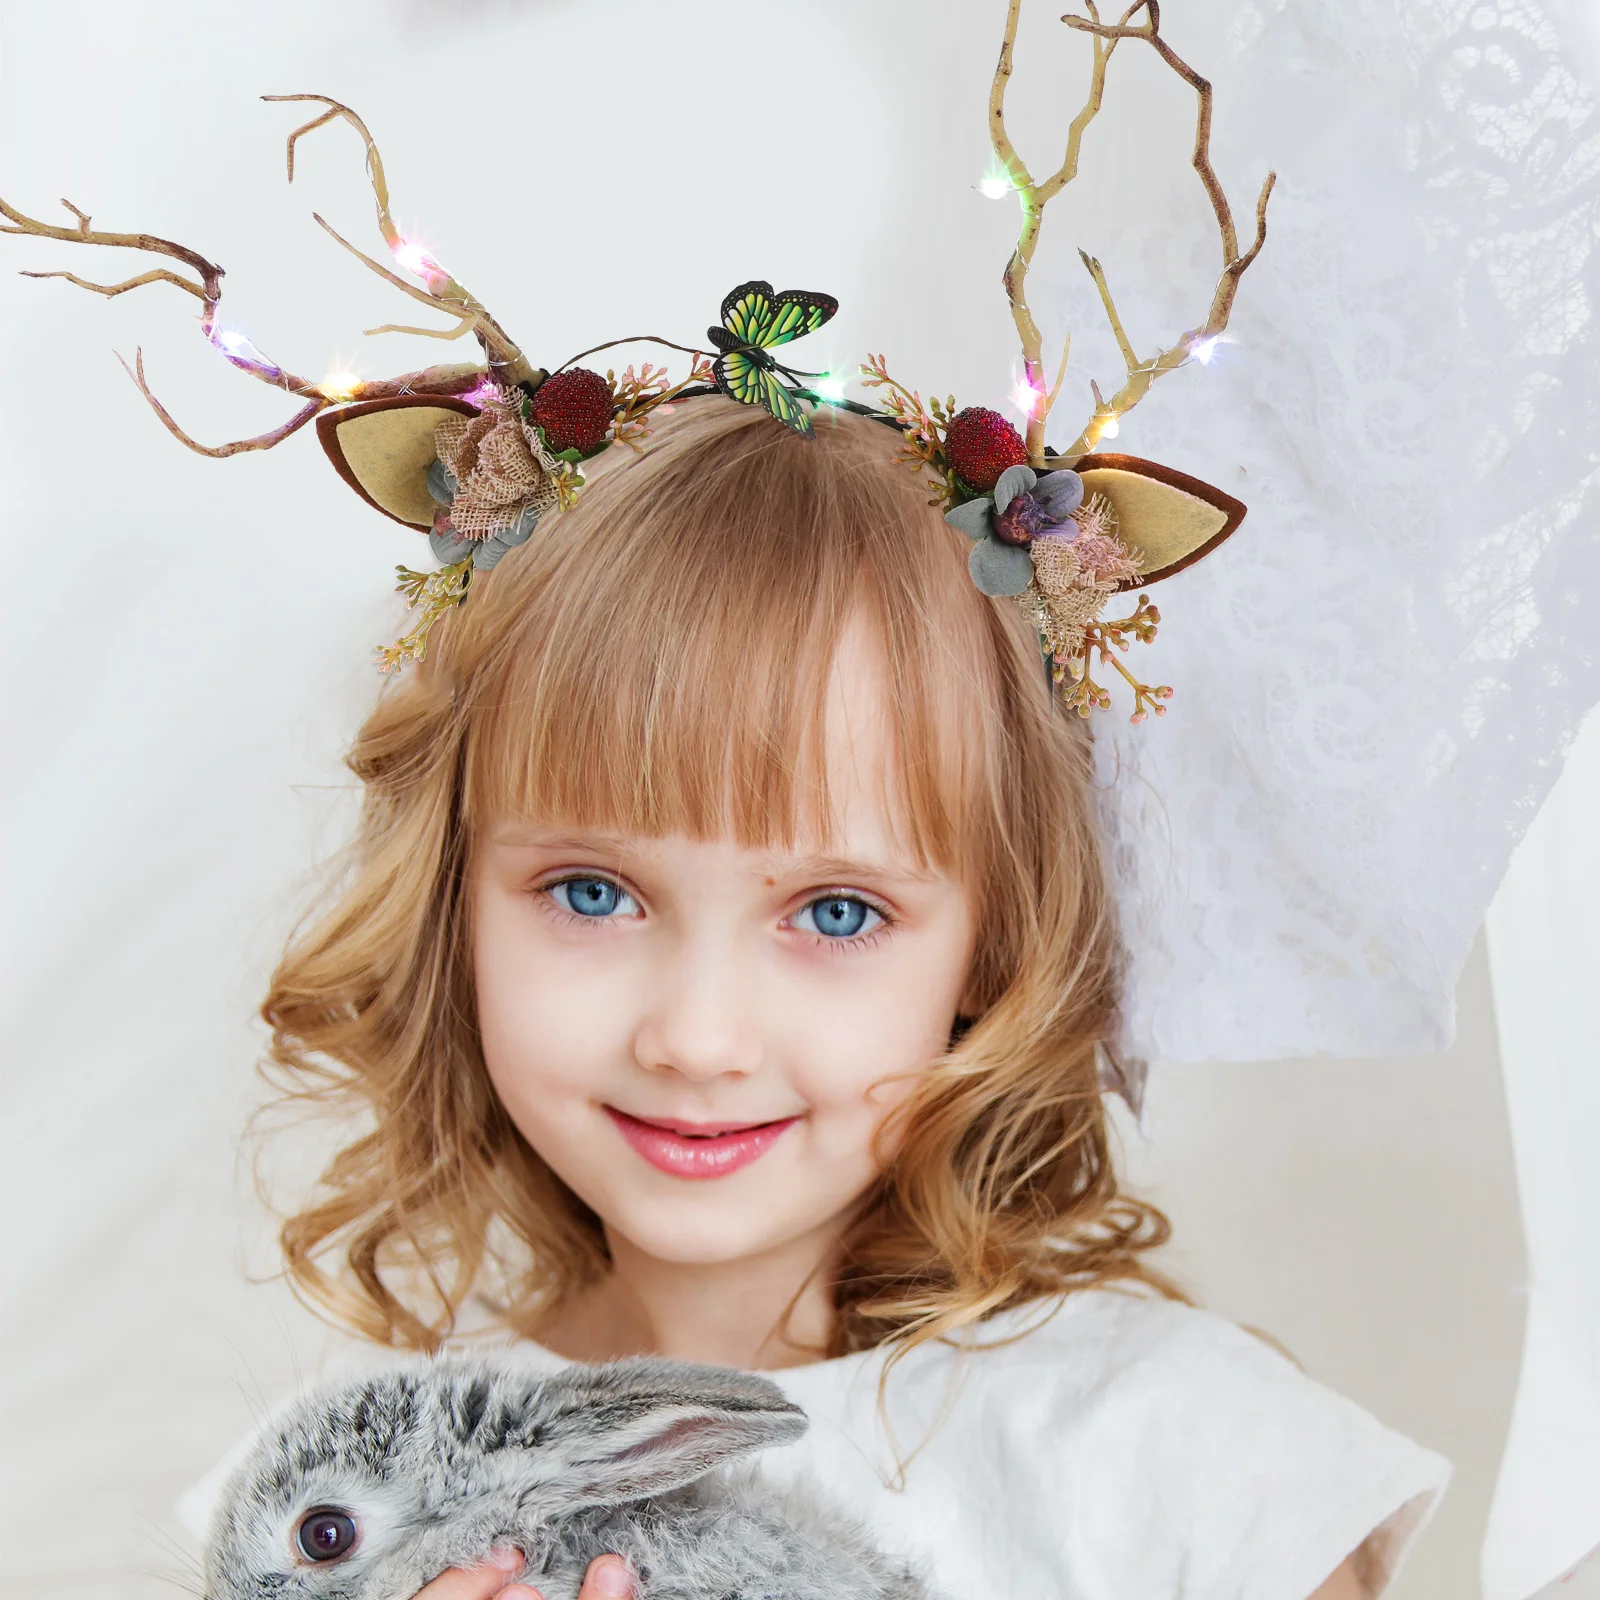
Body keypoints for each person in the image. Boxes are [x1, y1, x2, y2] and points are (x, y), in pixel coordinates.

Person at [247, 399, 1448, 1600]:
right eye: (591, 891)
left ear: (992, 945)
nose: (696, 1037)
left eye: (835, 912)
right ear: (455, 898)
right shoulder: (331, 1510)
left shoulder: (1182, 1464)